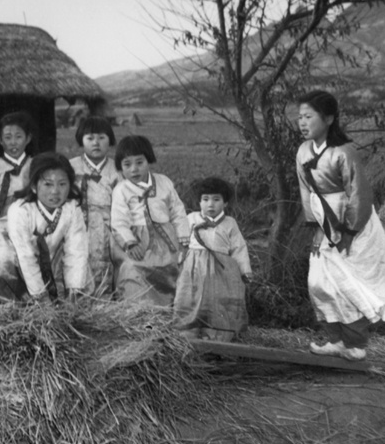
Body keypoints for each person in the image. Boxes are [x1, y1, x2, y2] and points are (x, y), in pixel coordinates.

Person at [296, 90, 385, 361]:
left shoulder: (344, 152)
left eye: (309, 116)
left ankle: (356, 344)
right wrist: (316, 227)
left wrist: (349, 232)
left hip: (353, 224)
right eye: (300, 117)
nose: (302, 122)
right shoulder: (303, 151)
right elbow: (306, 193)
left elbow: (359, 194)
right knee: (319, 283)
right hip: (324, 223)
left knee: (350, 284)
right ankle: (336, 340)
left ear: (329, 118)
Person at [110, 135, 189, 307]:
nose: (134, 169)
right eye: (127, 165)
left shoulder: (164, 182)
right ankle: (139, 310)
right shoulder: (121, 190)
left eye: (140, 162)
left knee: (178, 266)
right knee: (132, 268)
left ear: (149, 160)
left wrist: (183, 235)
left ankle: (173, 308)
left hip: (166, 240)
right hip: (138, 241)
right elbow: (118, 221)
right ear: (120, 167)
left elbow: (177, 211)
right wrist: (130, 243)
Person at [172, 177, 252, 341]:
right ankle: (187, 333)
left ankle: (216, 336)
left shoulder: (230, 223)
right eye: (205, 199)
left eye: (216, 199)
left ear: (225, 203)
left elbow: (239, 248)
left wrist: (245, 270)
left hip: (220, 271)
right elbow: (180, 242)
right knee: (189, 299)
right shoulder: (191, 219)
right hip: (192, 270)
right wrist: (177, 260)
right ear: (199, 202)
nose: (210, 204)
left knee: (218, 303)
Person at [5, 153, 90, 302]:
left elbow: (76, 251)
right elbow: (25, 256)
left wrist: (73, 295)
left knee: (82, 275)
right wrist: (41, 297)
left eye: (62, 184)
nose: (55, 191)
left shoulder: (71, 208)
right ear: (33, 186)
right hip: (15, 256)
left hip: (47, 258)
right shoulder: (20, 211)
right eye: (48, 184)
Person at [0, 111, 36, 298]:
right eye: (8, 137)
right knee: (4, 261)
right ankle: (1, 303)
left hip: (29, 228)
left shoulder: (35, 165)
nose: (13, 142)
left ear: (28, 138)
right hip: (0, 230)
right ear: (0, 139)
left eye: (18, 137)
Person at [69, 115, 121, 297]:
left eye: (101, 138)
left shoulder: (118, 170)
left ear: (110, 140)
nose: (96, 143)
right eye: (90, 138)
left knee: (106, 264)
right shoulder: (71, 167)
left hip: (108, 224)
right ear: (81, 140)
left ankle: (105, 302)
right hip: (78, 223)